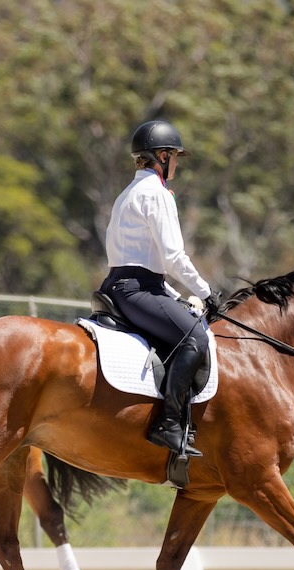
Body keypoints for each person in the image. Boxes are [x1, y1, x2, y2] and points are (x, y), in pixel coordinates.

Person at [98, 120, 220, 458]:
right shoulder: (156, 193)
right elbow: (173, 256)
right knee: (194, 336)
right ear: (162, 156)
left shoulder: (129, 193)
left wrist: (177, 296)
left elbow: (143, 259)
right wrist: (207, 291)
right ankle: (168, 423)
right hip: (138, 289)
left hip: (126, 283)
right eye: (175, 156)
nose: (177, 163)